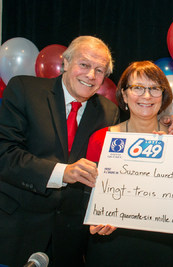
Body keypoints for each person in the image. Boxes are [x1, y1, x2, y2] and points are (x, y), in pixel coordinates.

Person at [0, 36, 120, 266]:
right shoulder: (25, 90)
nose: (91, 76)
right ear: (65, 62)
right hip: (15, 232)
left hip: (69, 244)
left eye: (100, 70)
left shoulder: (108, 112)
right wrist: (61, 172)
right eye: (84, 65)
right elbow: (4, 154)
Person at [84, 60, 173, 266]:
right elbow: (86, 196)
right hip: (109, 244)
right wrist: (93, 218)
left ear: (163, 97)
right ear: (124, 95)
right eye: (138, 88)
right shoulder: (101, 139)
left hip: (161, 247)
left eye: (154, 88)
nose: (147, 96)